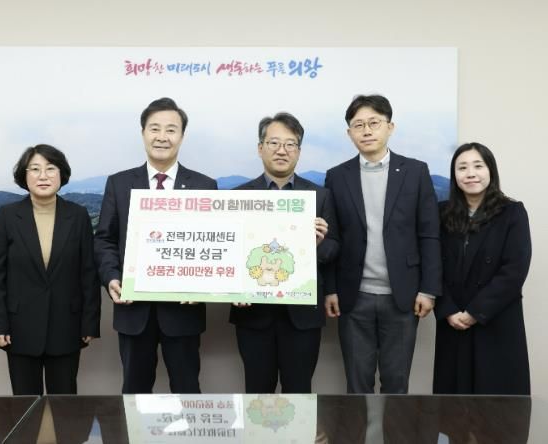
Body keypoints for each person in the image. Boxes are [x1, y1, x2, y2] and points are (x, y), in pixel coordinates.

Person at [94, 97, 217, 394]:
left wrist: (202, 286)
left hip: (183, 312)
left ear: (182, 136)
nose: (162, 136)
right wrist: (112, 278)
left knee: (187, 391)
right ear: (143, 133)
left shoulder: (204, 186)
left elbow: (215, 243)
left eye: (171, 130)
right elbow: (105, 239)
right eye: (155, 128)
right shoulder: (119, 183)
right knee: (134, 392)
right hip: (133, 310)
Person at [324, 94, 441, 393]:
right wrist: (331, 289)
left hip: (402, 296)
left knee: (396, 384)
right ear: (349, 133)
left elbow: (429, 234)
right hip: (353, 296)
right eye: (358, 125)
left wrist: (428, 290)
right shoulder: (337, 177)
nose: (366, 130)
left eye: (374, 123)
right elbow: (332, 238)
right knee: (357, 384)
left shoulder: (415, 172)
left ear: (390, 127)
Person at [230, 112, 339, 393]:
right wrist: (233, 290)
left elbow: (334, 247)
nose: (282, 150)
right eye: (274, 143)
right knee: (257, 393)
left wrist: (316, 244)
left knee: (299, 392)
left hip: (302, 315)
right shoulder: (238, 196)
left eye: (290, 144)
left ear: (299, 151)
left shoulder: (320, 196)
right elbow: (228, 251)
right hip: (253, 314)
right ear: (260, 148)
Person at [0, 144, 100, 395]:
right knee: (26, 404)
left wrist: (89, 324)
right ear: (24, 176)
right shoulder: (8, 215)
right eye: (35, 169)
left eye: (50, 168)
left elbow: (88, 273)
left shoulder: (78, 215)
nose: (43, 176)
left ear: (61, 174)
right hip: (19, 328)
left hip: (67, 325)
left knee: (64, 404)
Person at [433, 142, 531, 395]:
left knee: (496, 403)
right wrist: (448, 309)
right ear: (454, 175)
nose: (471, 174)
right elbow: (433, 264)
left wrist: (475, 312)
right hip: (453, 320)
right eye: (462, 168)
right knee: (453, 405)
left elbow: (515, 270)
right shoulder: (441, 213)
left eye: (478, 166)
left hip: (496, 319)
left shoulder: (512, 212)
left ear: (490, 170)